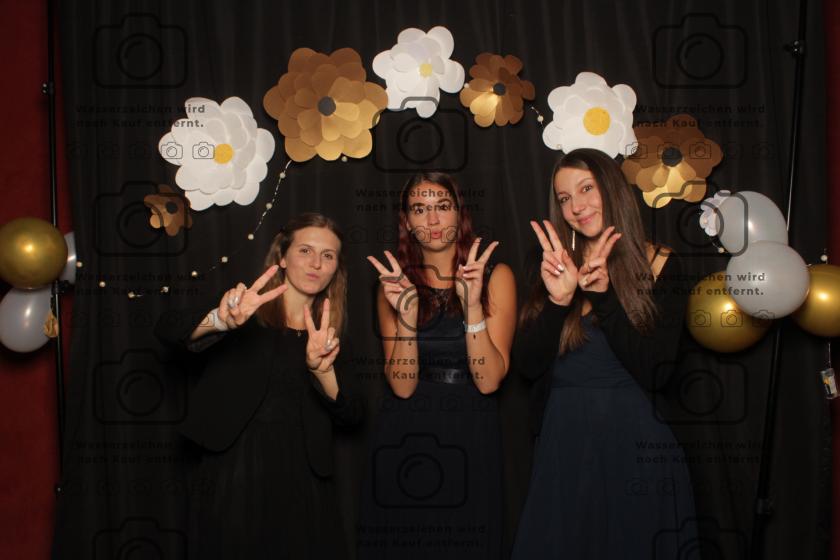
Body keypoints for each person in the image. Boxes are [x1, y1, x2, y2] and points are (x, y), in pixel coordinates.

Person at [511, 148, 697, 558]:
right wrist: (559, 302)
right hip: (564, 442)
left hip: (637, 444)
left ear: (611, 189)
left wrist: (605, 298)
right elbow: (526, 367)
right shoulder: (550, 263)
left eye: (586, 189)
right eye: (564, 198)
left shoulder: (661, 264)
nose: (576, 207)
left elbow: (657, 373)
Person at [154, 212, 364, 559]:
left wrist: (322, 370)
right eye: (305, 251)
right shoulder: (244, 310)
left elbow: (353, 413)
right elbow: (168, 328)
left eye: (328, 256)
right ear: (282, 257)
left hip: (303, 479)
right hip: (233, 473)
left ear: (336, 269)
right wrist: (221, 320)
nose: (316, 263)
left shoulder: (331, 336)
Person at [357, 172, 517, 559]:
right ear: (406, 221)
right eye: (419, 209)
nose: (432, 219)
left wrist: (473, 306)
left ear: (459, 213)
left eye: (442, 206)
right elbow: (402, 386)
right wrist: (407, 317)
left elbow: (489, 380)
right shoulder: (393, 284)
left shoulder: (496, 276)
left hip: (471, 430)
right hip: (406, 431)